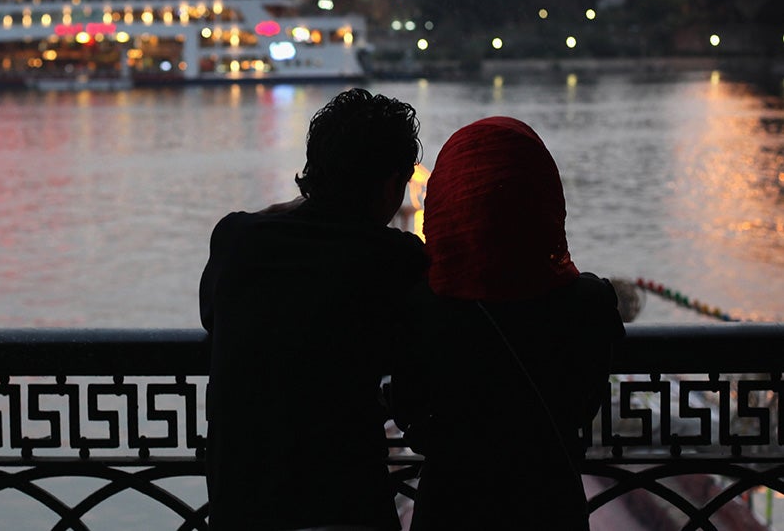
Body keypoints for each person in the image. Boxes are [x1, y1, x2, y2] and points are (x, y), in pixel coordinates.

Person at [200, 88, 428, 530]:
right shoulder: (395, 259)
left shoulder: (236, 241)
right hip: (343, 504)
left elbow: (213, 317)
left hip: (240, 506)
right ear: (390, 184)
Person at [391, 116, 625, 531]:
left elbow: (410, 409)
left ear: (450, 200)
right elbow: (585, 403)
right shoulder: (589, 303)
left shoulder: (421, 307)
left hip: (451, 509)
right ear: (544, 197)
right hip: (550, 507)